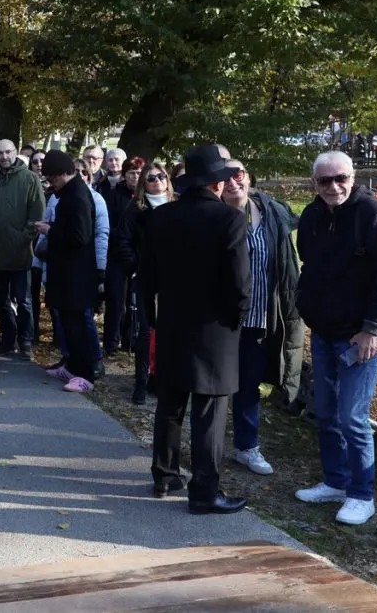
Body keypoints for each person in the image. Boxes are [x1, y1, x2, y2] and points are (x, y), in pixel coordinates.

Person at [142, 145, 250, 514]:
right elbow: (239, 283)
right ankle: (204, 492)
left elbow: (147, 277)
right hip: (215, 329)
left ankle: (165, 475)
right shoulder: (229, 220)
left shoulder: (160, 217)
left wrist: (154, 319)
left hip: (172, 322)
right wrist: (236, 319)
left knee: (170, 405)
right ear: (218, 184)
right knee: (209, 412)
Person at [294, 151, 377, 525]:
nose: (333, 187)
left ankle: (363, 494)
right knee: (326, 413)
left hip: (359, 335)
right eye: (324, 181)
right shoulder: (312, 216)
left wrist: (373, 328)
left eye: (340, 178)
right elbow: (310, 265)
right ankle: (336, 481)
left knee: (352, 417)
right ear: (314, 183)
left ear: (353, 176)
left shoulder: (372, 215)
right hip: (323, 330)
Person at [220, 157, 303, 475]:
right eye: (224, 177)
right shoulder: (216, 216)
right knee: (214, 385)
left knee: (249, 385)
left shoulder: (273, 212)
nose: (232, 182)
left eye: (237, 174)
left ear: (248, 177)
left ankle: (246, 446)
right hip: (222, 320)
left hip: (260, 317)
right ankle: (207, 445)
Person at [37, 151, 98, 392]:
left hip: (77, 274)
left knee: (77, 324)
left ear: (63, 173)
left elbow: (80, 236)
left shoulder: (78, 196)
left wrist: (50, 231)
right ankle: (72, 366)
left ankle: (85, 374)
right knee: (68, 322)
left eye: (52, 178)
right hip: (67, 272)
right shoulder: (70, 194)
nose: (51, 183)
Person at [113, 160, 173, 404]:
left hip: (173, 281)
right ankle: (141, 380)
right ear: (143, 185)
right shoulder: (135, 209)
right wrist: (136, 268)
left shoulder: (177, 205)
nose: (157, 180)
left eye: (161, 176)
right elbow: (123, 242)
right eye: (150, 178)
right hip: (146, 279)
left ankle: (162, 379)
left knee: (169, 331)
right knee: (144, 332)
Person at [0, 138, 45, 359]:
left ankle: (25, 341)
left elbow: (37, 214)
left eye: (8, 152)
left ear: (16, 152)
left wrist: (23, 238)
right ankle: (8, 339)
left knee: (24, 301)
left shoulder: (30, 179)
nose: (4, 157)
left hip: (21, 253)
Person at [101, 155, 143, 356]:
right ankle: (111, 342)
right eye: (131, 173)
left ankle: (130, 340)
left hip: (138, 254)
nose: (135, 177)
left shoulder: (146, 195)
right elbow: (108, 222)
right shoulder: (115, 193)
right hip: (116, 253)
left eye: (138, 173)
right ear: (124, 175)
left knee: (135, 300)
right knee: (115, 299)